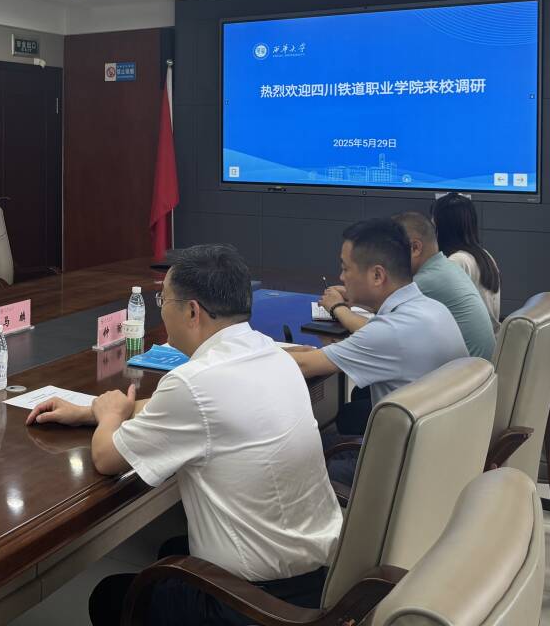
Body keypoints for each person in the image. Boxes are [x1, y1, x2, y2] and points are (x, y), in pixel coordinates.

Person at [26, 244, 341, 626]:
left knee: (111, 597)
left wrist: (108, 417)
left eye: (164, 300)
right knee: (171, 548)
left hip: (255, 606)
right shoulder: (274, 355)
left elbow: (107, 458)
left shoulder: (193, 383)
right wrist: (90, 411)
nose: (161, 309)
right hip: (322, 579)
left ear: (192, 311)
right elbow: (192, 408)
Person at [287, 219, 468, 482]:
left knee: (292, 467)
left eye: (345, 268)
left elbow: (303, 366)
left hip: (402, 470)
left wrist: (256, 348)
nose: (341, 277)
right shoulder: (433, 309)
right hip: (441, 452)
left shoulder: (390, 332)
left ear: (377, 276)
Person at [390, 211, 495, 360]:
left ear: (415, 248)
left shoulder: (426, 281)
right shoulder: (448, 267)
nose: (388, 259)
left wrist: (348, 307)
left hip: (462, 371)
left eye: (391, 250)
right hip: (478, 370)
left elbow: (380, 330)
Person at [432, 191, 502, 326]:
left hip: (466, 337)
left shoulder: (456, 261)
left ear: (441, 225)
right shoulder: (484, 255)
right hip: (489, 335)